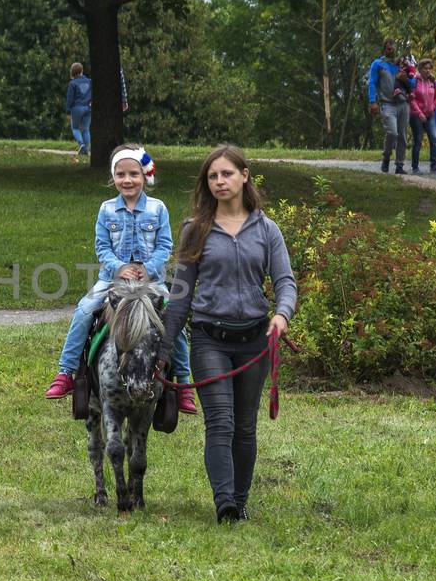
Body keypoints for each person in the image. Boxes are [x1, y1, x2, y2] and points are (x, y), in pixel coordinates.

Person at [158, 145, 297, 523]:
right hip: (209, 339)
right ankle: (225, 506)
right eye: (213, 177)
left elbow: (285, 281)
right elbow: (180, 295)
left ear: (244, 176)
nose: (220, 181)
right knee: (220, 422)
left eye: (226, 174)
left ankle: (241, 498)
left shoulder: (267, 230)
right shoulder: (196, 230)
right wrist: (165, 348)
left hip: (254, 341)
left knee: (245, 427)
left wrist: (281, 315)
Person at [44, 147, 197, 415]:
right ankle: (66, 371)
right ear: (113, 176)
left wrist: (148, 268)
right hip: (113, 282)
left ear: (145, 176)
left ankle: (183, 384)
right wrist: (119, 268)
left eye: (133, 174)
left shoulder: (158, 208)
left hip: (151, 283)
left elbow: (165, 245)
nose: (127, 180)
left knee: (174, 320)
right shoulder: (106, 210)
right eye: (120, 174)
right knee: (83, 311)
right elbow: (102, 247)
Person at [367, 38, 408, 175]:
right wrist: (373, 101)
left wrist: (406, 79)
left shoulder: (403, 65)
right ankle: (386, 157)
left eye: (393, 48)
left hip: (403, 103)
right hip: (387, 103)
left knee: (402, 135)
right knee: (392, 132)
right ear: (384, 49)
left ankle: (399, 165)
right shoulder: (378, 64)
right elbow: (372, 82)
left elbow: (414, 83)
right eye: (388, 48)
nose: (391, 51)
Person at [409, 58, 436, 173]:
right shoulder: (415, 81)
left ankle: (434, 166)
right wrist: (419, 113)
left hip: (430, 115)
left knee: (434, 138)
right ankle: (415, 167)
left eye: (429, 68)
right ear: (420, 69)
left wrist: (432, 108)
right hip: (416, 115)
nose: (428, 71)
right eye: (425, 68)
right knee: (418, 140)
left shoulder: (432, 81)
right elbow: (412, 99)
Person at [65, 62, 92, 157]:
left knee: (75, 128)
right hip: (88, 108)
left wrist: (68, 111)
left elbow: (70, 99)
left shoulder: (72, 83)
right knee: (86, 129)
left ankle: (82, 145)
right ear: (82, 70)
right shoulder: (89, 81)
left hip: (76, 108)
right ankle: (87, 150)